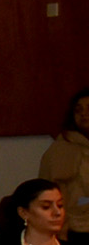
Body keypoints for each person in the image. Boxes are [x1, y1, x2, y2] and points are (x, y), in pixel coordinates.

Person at [39, 89, 89, 232]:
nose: (84, 114)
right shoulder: (63, 149)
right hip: (75, 228)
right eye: (78, 110)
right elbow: (70, 199)